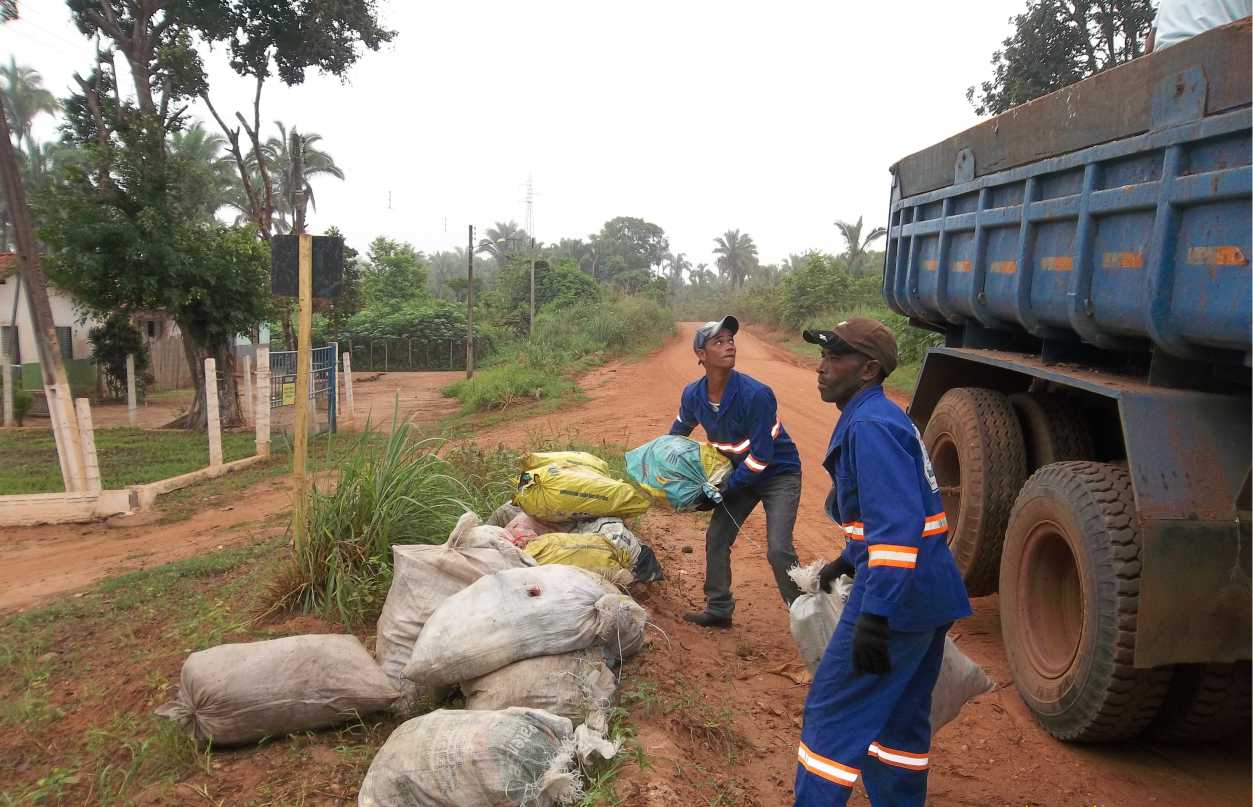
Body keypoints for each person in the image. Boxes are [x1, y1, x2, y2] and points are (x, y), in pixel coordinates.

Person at [793, 318, 970, 807]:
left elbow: (895, 531)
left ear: (869, 369)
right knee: (900, 724)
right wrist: (846, 560)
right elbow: (889, 518)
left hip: (897, 600)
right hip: (928, 593)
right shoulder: (879, 415)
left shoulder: (870, 425)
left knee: (832, 719)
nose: (822, 368)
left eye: (835, 358)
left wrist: (874, 616)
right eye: (822, 356)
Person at [669, 315, 802, 628]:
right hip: (739, 475)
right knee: (717, 537)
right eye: (719, 341)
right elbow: (676, 436)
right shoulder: (693, 395)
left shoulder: (756, 394)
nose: (729, 346)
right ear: (701, 355)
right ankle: (718, 609)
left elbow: (761, 457)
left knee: (778, 549)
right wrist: (666, 469)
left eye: (731, 340)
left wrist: (723, 489)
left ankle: (805, 615)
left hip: (778, 475)